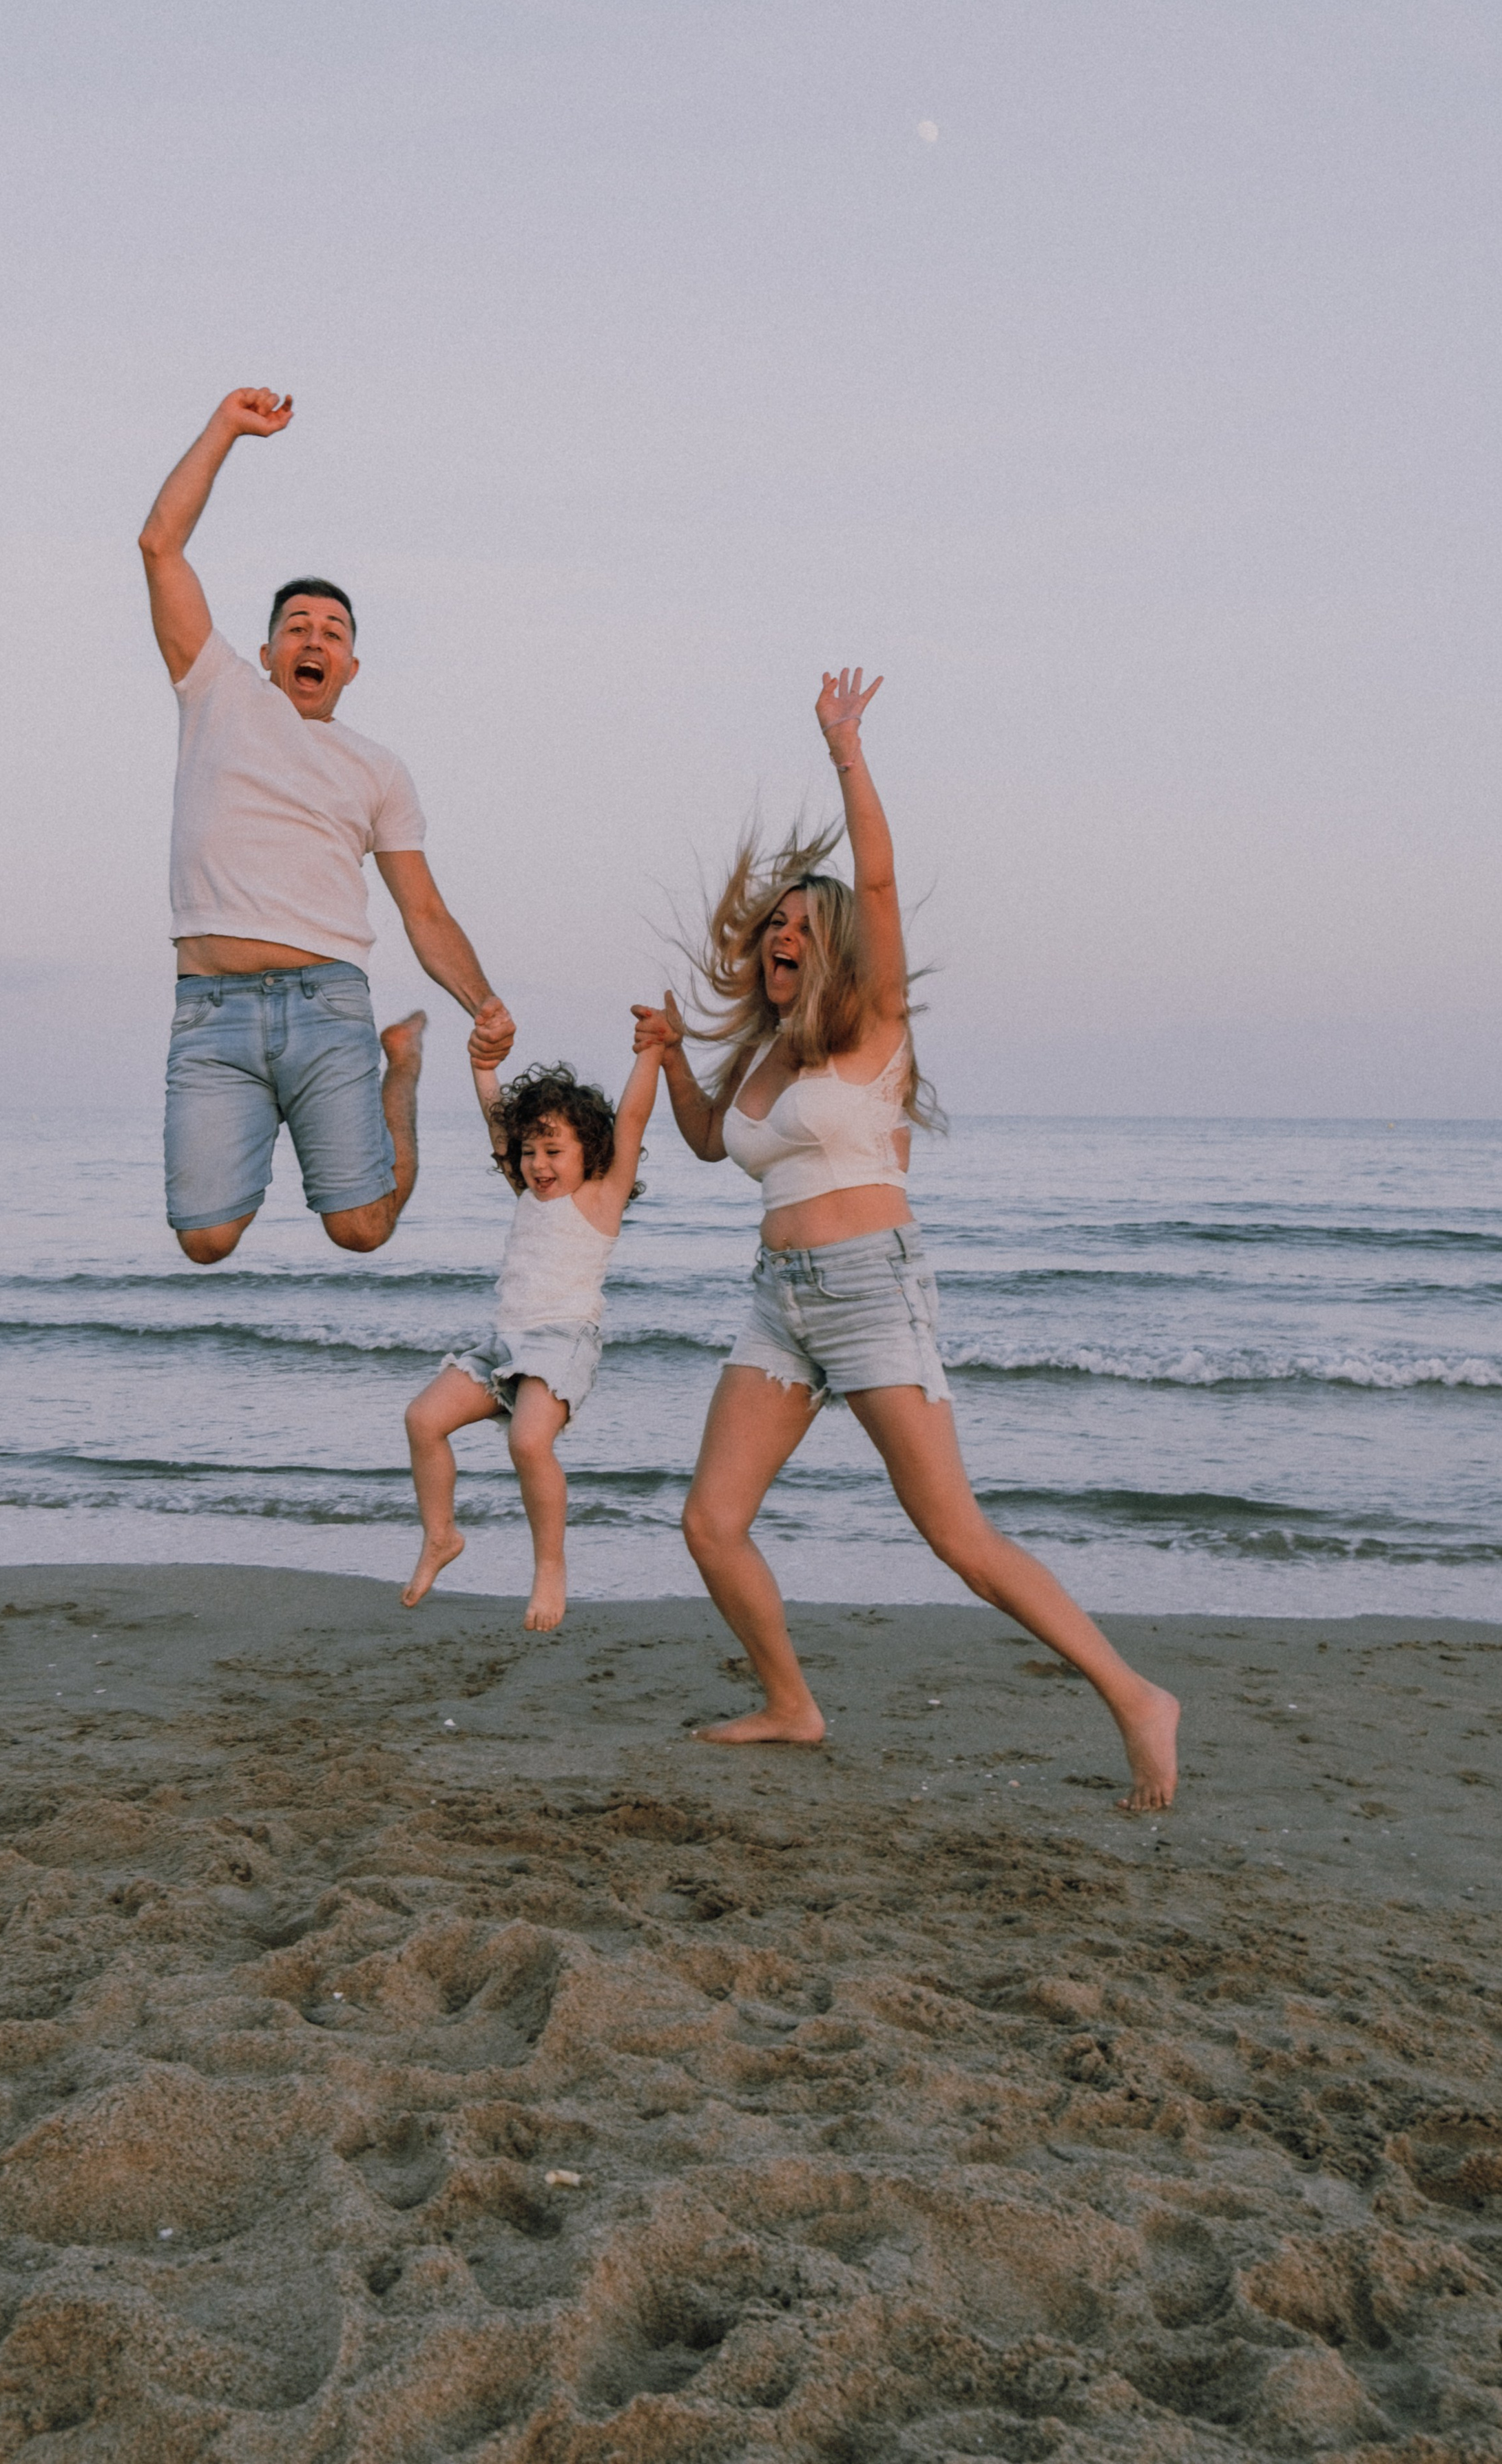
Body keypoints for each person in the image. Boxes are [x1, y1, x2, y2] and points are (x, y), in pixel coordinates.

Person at [631, 668, 1180, 1810]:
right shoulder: (764, 1057)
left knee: (957, 1537)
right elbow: (701, 1142)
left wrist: (845, 752)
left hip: (874, 1287)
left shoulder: (874, 1028)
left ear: (835, 950)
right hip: (777, 1299)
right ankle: (792, 1705)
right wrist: (675, 1055)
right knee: (710, 1521)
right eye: (775, 924)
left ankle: (1137, 1698)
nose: (784, 935)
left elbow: (875, 877)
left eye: (803, 925)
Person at [138, 386, 514, 1265]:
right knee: (205, 1241)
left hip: (327, 1005)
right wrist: (227, 428)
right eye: (296, 627)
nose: (314, 638)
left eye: (332, 630)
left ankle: (402, 1070)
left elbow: (424, 911)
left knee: (363, 1230)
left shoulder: (378, 767)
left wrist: (481, 1003)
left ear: (349, 663)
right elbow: (161, 546)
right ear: (267, 653)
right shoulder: (216, 692)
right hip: (211, 1011)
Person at [402, 1026, 666, 1632]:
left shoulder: (601, 1197)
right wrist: (482, 1067)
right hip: (504, 1343)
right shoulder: (527, 1192)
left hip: (562, 1340)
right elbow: (499, 1122)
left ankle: (550, 1568)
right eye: (529, 1152)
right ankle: (441, 1537)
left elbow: (631, 1119)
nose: (538, 1165)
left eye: (554, 1150)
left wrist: (651, 1051)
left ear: (589, 1152)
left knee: (527, 1443)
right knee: (423, 1419)